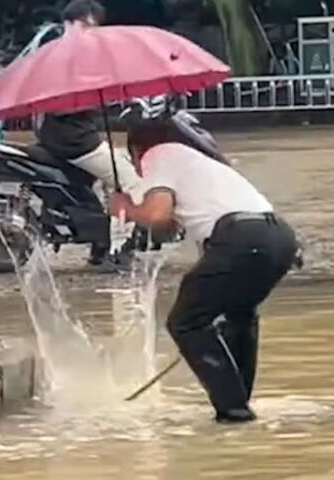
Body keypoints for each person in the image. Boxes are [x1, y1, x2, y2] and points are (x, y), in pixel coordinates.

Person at [110, 120, 299, 424]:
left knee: (186, 323)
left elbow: (156, 215)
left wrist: (124, 207)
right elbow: (183, 220)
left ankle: (234, 411)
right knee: (239, 314)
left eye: (132, 159)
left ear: (137, 149)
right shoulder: (201, 163)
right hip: (278, 238)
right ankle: (238, 404)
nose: (137, 168)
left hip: (241, 240)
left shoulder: (157, 154)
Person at [35, 0, 143, 266]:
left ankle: (100, 240)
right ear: (70, 23)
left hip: (61, 136)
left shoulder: (58, 53)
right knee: (130, 181)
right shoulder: (68, 59)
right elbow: (60, 105)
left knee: (114, 168)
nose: (89, 33)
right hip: (75, 141)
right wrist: (95, 101)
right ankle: (119, 250)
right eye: (86, 26)